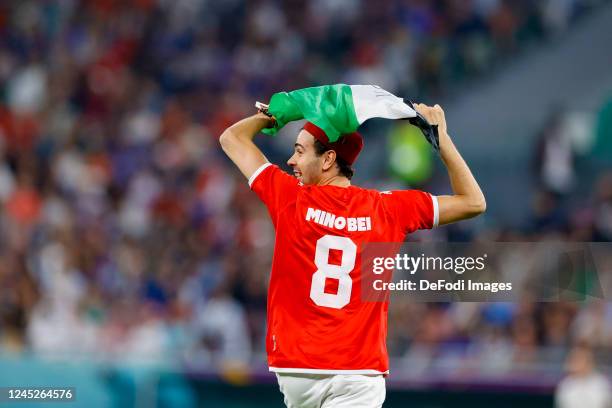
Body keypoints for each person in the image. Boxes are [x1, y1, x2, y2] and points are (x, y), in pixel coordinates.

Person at [219, 102, 486, 407]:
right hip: (356, 372)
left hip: (296, 369)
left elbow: (232, 138)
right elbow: (473, 202)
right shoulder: (388, 208)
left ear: (328, 159)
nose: (291, 160)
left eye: (300, 151)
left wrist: (283, 111)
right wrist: (441, 138)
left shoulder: (289, 197)